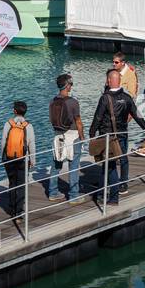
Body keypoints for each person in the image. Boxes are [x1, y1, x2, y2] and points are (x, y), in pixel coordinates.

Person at [88, 69, 144, 205]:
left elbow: (98, 117)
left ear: (109, 81)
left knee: (109, 166)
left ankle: (112, 197)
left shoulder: (105, 98)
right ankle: (106, 191)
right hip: (123, 135)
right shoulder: (127, 97)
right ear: (119, 80)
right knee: (117, 162)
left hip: (108, 137)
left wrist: (91, 133)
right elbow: (136, 114)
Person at [49, 73, 85, 203]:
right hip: (73, 135)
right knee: (73, 165)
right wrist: (82, 137)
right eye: (71, 84)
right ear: (67, 86)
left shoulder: (52, 101)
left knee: (56, 164)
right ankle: (74, 195)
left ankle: (53, 192)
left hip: (57, 135)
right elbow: (78, 122)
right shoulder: (73, 102)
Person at [0, 101, 36, 216]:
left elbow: (3, 142)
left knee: (12, 183)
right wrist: (32, 160)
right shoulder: (28, 126)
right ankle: (19, 212)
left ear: (14, 111)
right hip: (23, 159)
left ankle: (12, 208)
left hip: (9, 158)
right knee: (21, 184)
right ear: (25, 111)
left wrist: (3, 158)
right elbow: (31, 144)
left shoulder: (8, 124)